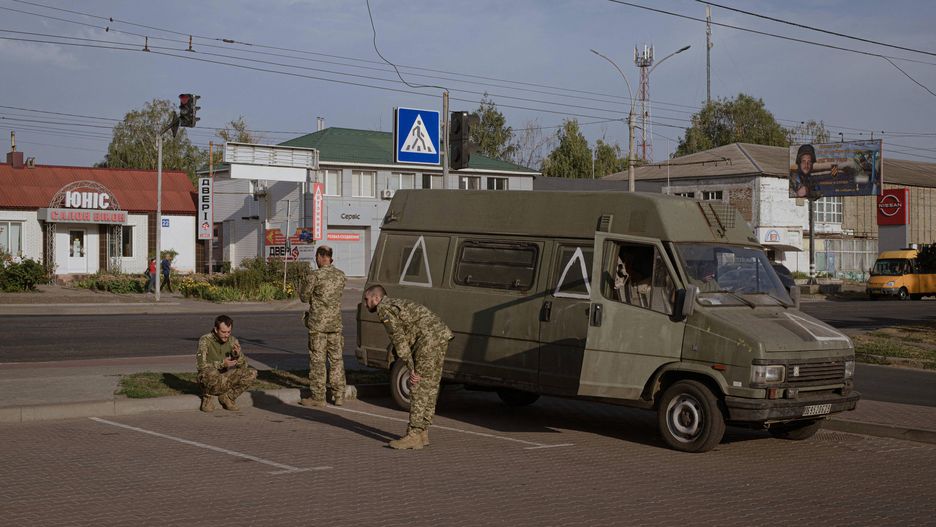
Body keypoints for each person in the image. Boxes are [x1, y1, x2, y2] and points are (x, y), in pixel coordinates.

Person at [363, 284, 452, 450]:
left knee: (417, 384)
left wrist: (411, 367)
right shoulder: (396, 303)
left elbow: (399, 340)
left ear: (376, 298)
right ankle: (423, 431)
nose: (366, 303)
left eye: (367, 299)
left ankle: (413, 435)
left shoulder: (384, 308)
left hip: (427, 341)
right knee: (430, 384)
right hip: (440, 336)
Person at [298, 245, 348, 408]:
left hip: (318, 326)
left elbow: (304, 297)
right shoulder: (341, 275)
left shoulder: (315, 276)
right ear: (330, 257)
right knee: (336, 360)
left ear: (320, 257)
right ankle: (339, 395)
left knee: (318, 361)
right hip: (335, 325)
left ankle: (318, 397)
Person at [195, 315, 257, 412]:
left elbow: (243, 366)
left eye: (229, 332)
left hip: (223, 378)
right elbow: (200, 365)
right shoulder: (205, 340)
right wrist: (222, 364)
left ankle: (228, 397)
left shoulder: (232, 340)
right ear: (216, 329)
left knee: (252, 373)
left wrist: (238, 355)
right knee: (210, 372)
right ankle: (207, 398)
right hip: (208, 379)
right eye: (223, 332)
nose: (226, 335)